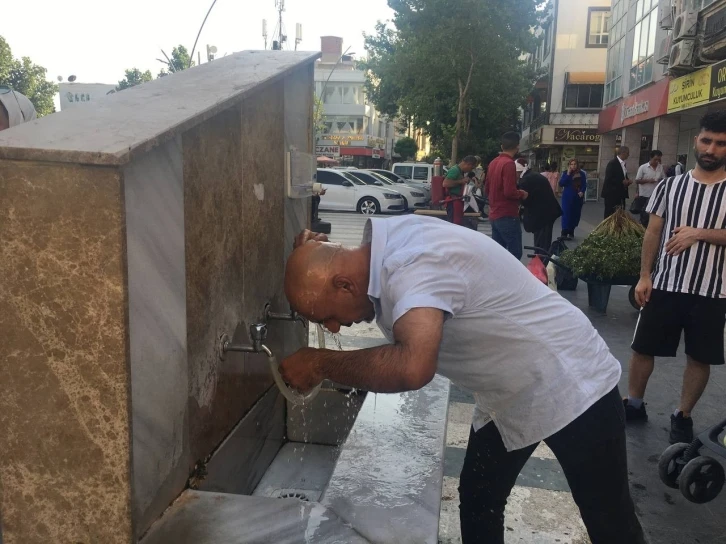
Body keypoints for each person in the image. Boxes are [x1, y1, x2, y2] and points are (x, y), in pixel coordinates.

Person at [281, 218, 645, 544]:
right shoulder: (380, 248)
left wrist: (320, 363)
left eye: (326, 316)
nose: (332, 328)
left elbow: (412, 366)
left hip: (570, 380)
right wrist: (313, 256)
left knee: (610, 522)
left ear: (345, 285)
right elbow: (329, 262)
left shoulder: (413, 265)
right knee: (479, 499)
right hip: (509, 391)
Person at [625, 111, 726, 444]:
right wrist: (644, 276)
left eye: (721, 143)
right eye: (707, 141)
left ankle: (682, 414)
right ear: (696, 140)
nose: (711, 149)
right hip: (665, 283)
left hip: (712, 290)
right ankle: (634, 403)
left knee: (699, 357)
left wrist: (699, 232)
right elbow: (653, 232)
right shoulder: (670, 186)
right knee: (643, 348)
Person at [485, 132, 528, 260]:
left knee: (499, 254)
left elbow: (487, 188)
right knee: (515, 254)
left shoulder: (493, 162)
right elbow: (509, 192)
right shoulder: (509, 164)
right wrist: (522, 193)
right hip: (507, 214)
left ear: (502, 146)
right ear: (517, 146)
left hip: (494, 214)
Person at [519, 164, 562, 253]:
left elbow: (526, 199)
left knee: (542, 242)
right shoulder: (531, 175)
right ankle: (539, 256)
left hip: (544, 214)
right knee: (541, 240)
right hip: (545, 212)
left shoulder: (526, 179)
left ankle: (541, 258)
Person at [443, 155, 478, 226]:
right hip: (453, 201)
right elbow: (445, 183)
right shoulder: (455, 170)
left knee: (457, 223)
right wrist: (461, 181)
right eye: (471, 168)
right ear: (468, 164)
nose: (470, 170)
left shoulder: (460, 171)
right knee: (454, 224)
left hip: (457, 201)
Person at [634, 150, 664, 228]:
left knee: (653, 214)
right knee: (644, 214)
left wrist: (660, 180)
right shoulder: (643, 167)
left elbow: (664, 178)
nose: (657, 162)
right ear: (651, 158)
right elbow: (637, 180)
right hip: (644, 194)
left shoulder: (660, 167)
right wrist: (648, 180)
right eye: (655, 159)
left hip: (656, 195)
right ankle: (643, 228)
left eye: (659, 160)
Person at [558, 159, 587, 240]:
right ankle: (564, 231)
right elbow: (561, 183)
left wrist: (582, 191)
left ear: (577, 165)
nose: (573, 166)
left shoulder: (581, 174)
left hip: (577, 197)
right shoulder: (566, 173)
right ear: (569, 165)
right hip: (567, 197)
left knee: (575, 214)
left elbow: (584, 184)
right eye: (571, 164)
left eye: (575, 164)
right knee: (566, 213)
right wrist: (568, 174)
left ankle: (571, 230)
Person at [602, 146, 633, 219]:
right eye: (627, 153)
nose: (628, 155)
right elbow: (609, 178)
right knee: (610, 214)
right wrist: (622, 182)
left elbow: (623, 176)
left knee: (620, 214)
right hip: (612, 194)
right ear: (623, 153)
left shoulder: (623, 164)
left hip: (621, 194)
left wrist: (627, 181)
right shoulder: (612, 163)